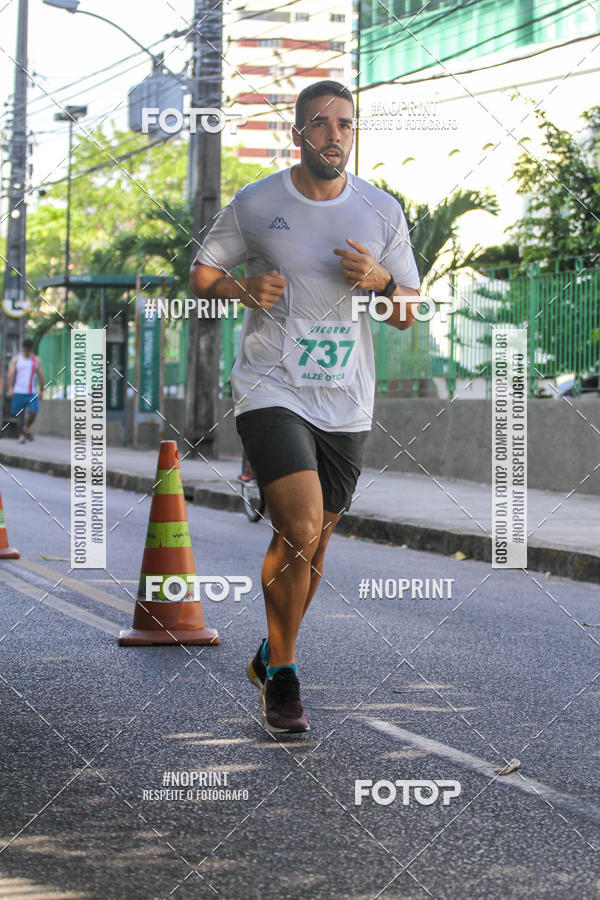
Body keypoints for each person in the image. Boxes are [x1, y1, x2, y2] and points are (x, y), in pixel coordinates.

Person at [190, 80, 421, 734]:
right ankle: (286, 676)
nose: (334, 134)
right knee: (298, 525)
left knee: (315, 539)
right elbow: (202, 276)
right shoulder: (257, 202)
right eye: (320, 123)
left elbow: (407, 310)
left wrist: (381, 281)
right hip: (272, 387)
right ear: (298, 135)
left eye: (344, 124)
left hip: (346, 397)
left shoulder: (381, 210)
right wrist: (242, 288)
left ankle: (270, 654)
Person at [8, 338, 44, 444]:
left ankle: (27, 428)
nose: (27, 351)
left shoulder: (36, 360)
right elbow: (10, 374)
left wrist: (42, 390)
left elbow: (41, 375)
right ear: (23, 348)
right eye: (25, 349)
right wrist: (10, 388)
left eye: (29, 349)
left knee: (34, 412)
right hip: (19, 391)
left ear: (31, 348)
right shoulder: (16, 359)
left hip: (31, 392)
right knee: (18, 414)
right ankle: (21, 436)